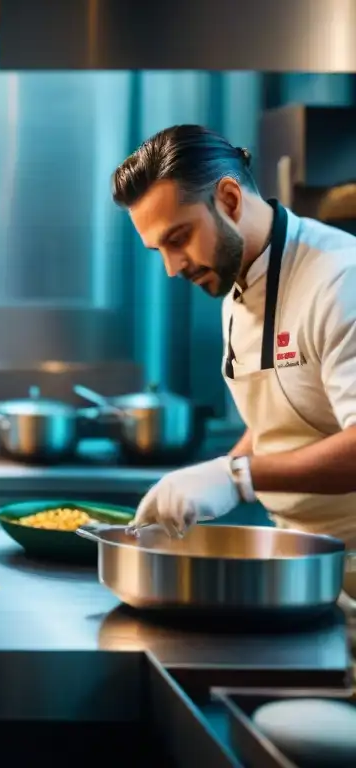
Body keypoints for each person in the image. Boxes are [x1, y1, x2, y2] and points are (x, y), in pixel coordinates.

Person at [111, 124, 356, 598]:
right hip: (303, 561)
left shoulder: (340, 280)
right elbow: (285, 415)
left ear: (228, 199)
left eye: (178, 237)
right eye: (158, 249)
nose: (171, 266)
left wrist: (237, 477)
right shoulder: (234, 289)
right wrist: (215, 472)